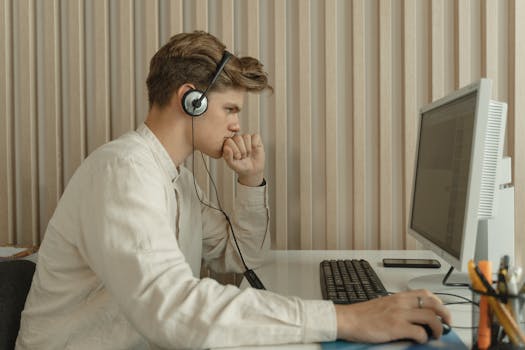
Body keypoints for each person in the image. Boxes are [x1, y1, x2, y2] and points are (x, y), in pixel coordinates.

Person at [16, 31, 451, 349]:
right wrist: (344, 318)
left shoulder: (178, 178)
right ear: (191, 100)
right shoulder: (123, 172)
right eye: (230, 109)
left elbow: (245, 257)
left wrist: (249, 181)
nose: (237, 124)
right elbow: (174, 311)